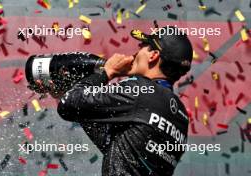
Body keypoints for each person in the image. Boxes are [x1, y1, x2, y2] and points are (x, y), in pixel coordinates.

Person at [57, 26, 193, 176]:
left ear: (153, 55)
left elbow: (68, 104)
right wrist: (69, 97)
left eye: (143, 46)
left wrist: (108, 72)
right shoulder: (181, 115)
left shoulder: (140, 90)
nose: (137, 50)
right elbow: (115, 146)